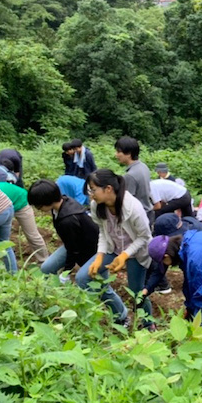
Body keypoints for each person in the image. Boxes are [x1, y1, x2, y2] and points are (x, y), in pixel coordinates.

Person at [77, 169, 153, 328]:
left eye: (93, 189)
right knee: (83, 277)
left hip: (136, 252)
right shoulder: (97, 206)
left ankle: (148, 324)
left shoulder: (133, 208)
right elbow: (103, 232)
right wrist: (99, 256)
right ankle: (121, 316)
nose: (91, 194)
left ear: (108, 189)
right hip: (113, 248)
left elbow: (144, 237)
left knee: (137, 292)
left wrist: (125, 255)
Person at [28, 179, 100, 281]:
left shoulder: (68, 220)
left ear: (47, 201)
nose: (37, 208)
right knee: (47, 268)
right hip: (76, 245)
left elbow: (74, 249)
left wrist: (67, 271)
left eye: (38, 205)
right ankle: (52, 292)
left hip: (93, 250)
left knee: (98, 284)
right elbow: (71, 245)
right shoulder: (61, 203)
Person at [0, 167, 49, 263]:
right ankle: (4, 259)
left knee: (32, 234)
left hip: (21, 203)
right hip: (5, 206)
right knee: (2, 238)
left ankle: (45, 261)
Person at [115, 136, 154, 227]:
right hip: (149, 212)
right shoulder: (143, 166)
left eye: (118, 152)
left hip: (139, 217)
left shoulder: (130, 176)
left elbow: (127, 203)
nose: (116, 155)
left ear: (128, 154)